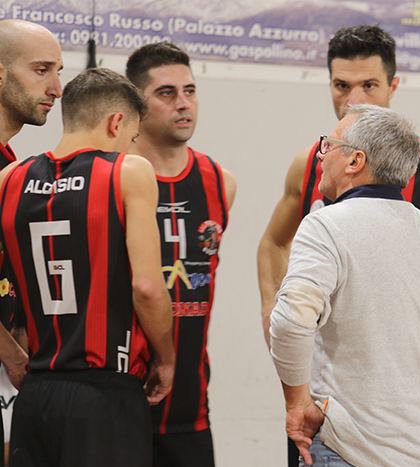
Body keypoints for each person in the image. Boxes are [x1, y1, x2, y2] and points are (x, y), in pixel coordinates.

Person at [258, 24, 420, 344]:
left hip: (403, 369)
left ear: (392, 86)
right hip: (325, 367)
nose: (354, 100)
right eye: (342, 85)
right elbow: (273, 243)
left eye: (369, 85)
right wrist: (271, 309)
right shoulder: (310, 163)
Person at [270, 104, 420, 467]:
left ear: (355, 161)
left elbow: (291, 322)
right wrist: (408, 392)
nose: (321, 155)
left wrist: (298, 404)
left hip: (346, 451)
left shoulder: (325, 225)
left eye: (329, 145)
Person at [0, 67, 175, 467]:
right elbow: (148, 288)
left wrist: (10, 355)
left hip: (35, 395)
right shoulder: (128, 172)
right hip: (104, 396)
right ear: (116, 122)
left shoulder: (9, 178)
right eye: (133, 138)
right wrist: (165, 358)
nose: (132, 149)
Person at [126, 42, 236, 467]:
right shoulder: (110, 175)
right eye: (167, 93)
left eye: (189, 91)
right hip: (119, 401)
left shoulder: (219, 182)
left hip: (190, 405)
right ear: (137, 103)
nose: (183, 103)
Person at [0, 18, 63, 448]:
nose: (57, 89)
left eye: (58, 72)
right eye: (42, 71)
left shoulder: (11, 162)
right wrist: (10, 352)